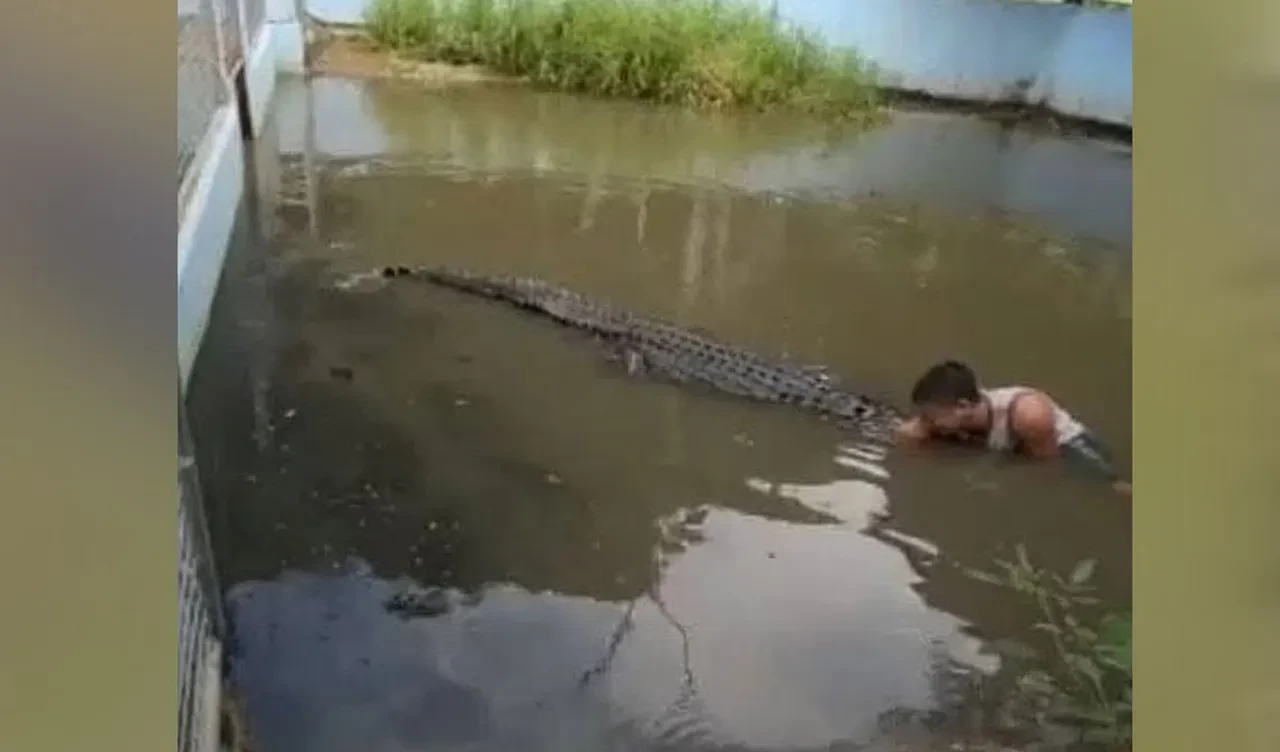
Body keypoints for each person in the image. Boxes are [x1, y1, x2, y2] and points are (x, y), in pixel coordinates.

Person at [894, 360, 1131, 495]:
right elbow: (909, 439)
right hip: (1004, 443)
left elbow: (1047, 469)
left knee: (1114, 489)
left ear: (963, 406)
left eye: (930, 416)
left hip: (1065, 448)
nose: (925, 421)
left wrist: (1001, 481)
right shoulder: (954, 417)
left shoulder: (1029, 413)